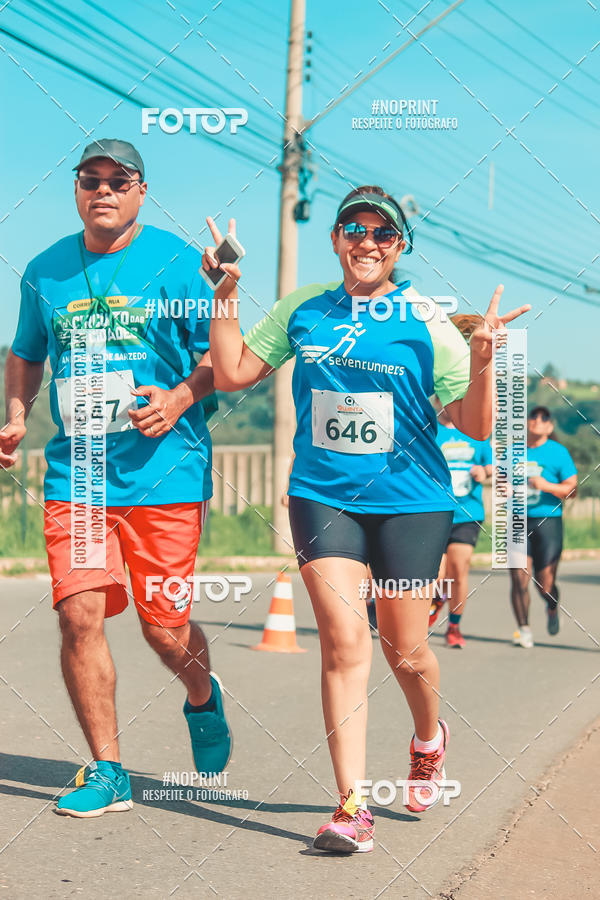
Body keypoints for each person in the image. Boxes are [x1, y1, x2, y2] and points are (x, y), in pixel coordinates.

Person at [204, 184, 529, 853]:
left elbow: (471, 424)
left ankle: (429, 740)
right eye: (354, 229)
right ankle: (351, 807)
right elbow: (234, 372)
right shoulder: (305, 309)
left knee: (404, 649)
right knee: (344, 645)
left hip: (412, 503)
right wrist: (226, 294)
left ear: (400, 246)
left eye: (383, 233)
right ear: (336, 240)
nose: (368, 242)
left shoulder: (427, 320)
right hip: (322, 497)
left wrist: (482, 360)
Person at [0, 139, 231, 817]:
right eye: (89, 179)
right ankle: (108, 769)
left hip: (167, 476)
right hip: (79, 479)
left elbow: (222, 359)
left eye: (118, 180)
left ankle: (201, 694)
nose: (103, 190)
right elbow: (24, 354)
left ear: (140, 189)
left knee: (166, 629)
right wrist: (17, 412)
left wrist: (180, 398)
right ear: (76, 189)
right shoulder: (44, 272)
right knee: (79, 615)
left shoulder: (178, 264)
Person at [430, 386, 493, 648]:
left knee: (458, 569)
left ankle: (454, 626)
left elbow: (492, 464)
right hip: (435, 512)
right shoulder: (430, 429)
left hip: (468, 513)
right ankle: (437, 600)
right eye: (442, 398)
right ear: (437, 401)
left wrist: (484, 472)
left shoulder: (475, 431)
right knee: (436, 574)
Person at [509, 406, 577, 648]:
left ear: (550, 426)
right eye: (533, 416)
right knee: (519, 578)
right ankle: (523, 629)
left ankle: (551, 605)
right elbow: (499, 480)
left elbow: (572, 490)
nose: (537, 420)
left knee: (544, 583)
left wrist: (546, 485)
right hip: (517, 520)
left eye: (544, 418)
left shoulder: (558, 453)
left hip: (547, 521)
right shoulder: (513, 451)